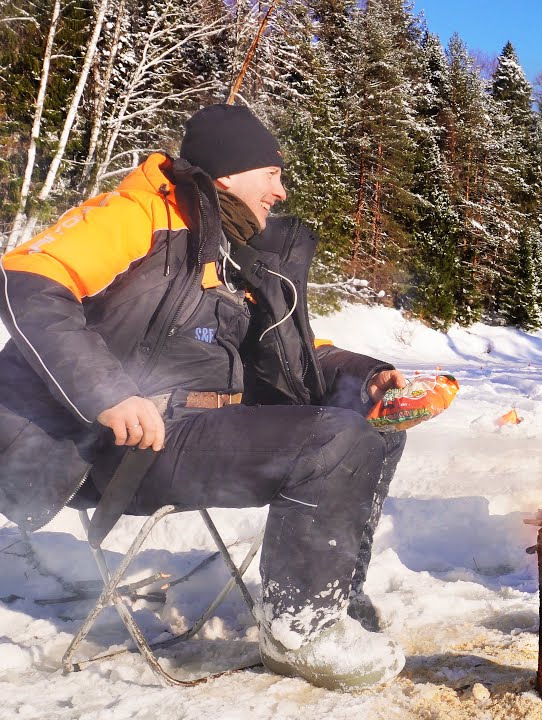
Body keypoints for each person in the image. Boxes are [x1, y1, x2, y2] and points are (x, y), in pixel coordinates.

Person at [0, 104, 420, 690]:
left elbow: (294, 351)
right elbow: (28, 279)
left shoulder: (236, 254)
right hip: (111, 440)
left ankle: (330, 595)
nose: (282, 188)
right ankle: (303, 630)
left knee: (370, 426)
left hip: (198, 431)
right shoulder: (141, 212)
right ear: (227, 173)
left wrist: (369, 375)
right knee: (334, 441)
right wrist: (109, 393)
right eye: (271, 172)